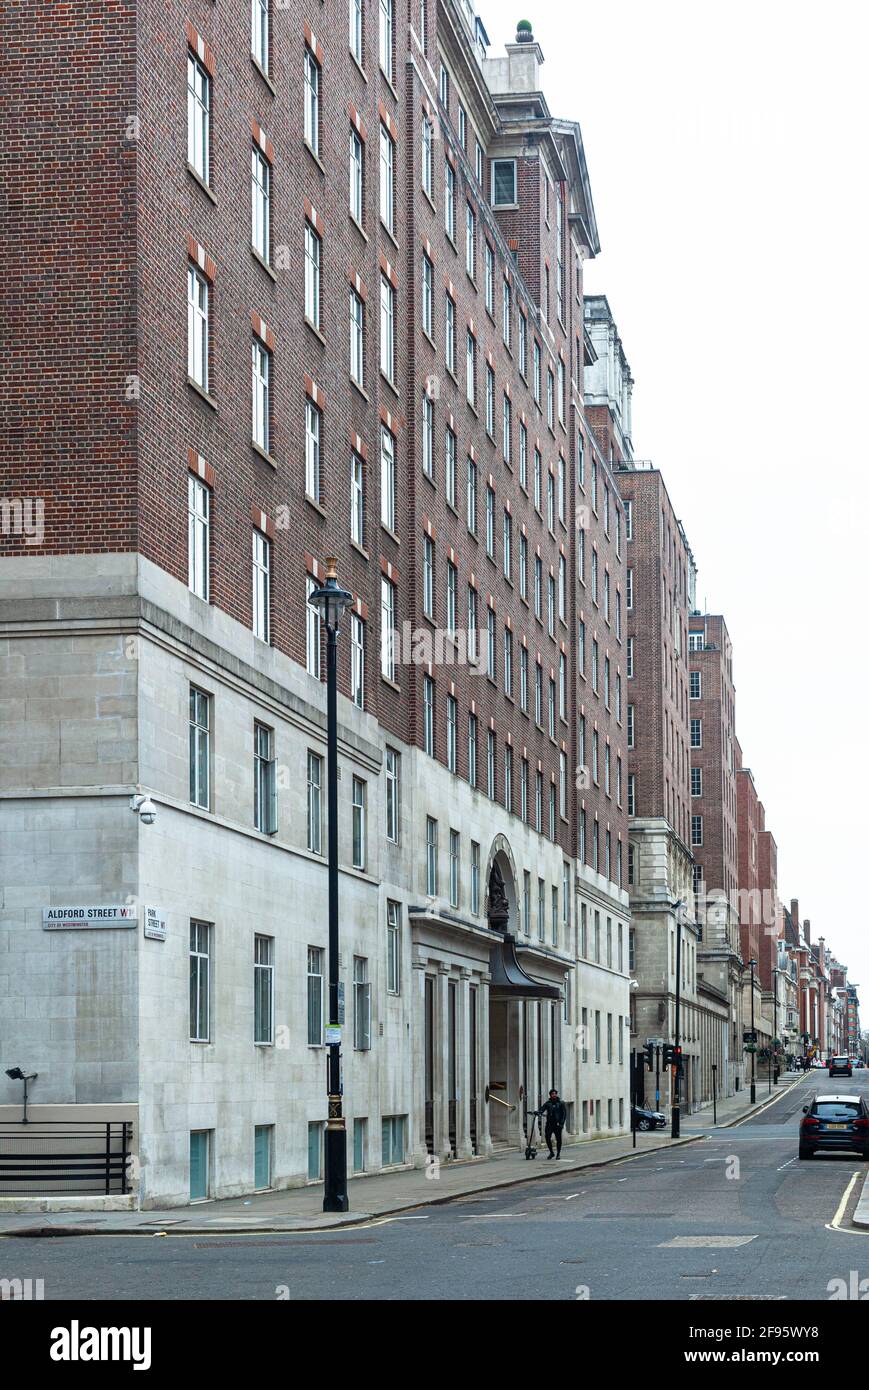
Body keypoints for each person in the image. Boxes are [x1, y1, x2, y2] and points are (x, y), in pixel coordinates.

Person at [539, 1089, 567, 1159]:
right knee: (547, 1137)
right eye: (552, 1094)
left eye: (555, 1094)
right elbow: (542, 1109)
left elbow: (564, 1114)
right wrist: (538, 1112)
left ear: (556, 1094)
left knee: (558, 1139)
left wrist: (562, 1123)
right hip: (549, 1124)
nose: (554, 1095)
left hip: (558, 1124)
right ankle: (551, 1152)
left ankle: (558, 1153)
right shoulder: (548, 1103)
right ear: (550, 1095)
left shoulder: (561, 1103)